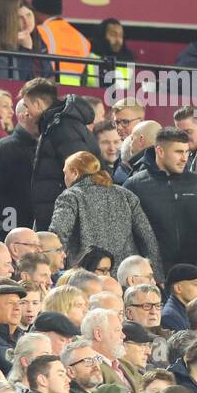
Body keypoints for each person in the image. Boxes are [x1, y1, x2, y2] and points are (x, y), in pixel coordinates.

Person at [49, 151, 161, 274]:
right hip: (125, 275)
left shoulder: (70, 196)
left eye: (66, 173)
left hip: (86, 274)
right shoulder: (125, 194)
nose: (65, 178)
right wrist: (156, 273)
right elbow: (147, 236)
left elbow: (58, 233)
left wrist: (53, 267)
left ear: (75, 173)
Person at [126, 126, 197, 272]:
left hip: (194, 273)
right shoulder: (134, 185)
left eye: (187, 152)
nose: (184, 158)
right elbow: (127, 236)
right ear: (160, 151)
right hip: (153, 275)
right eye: (178, 152)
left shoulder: (196, 182)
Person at [30, 94, 98, 231]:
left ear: (38, 103)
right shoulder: (66, 126)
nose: (26, 112)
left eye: (27, 105)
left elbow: (83, 175)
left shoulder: (63, 127)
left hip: (63, 216)